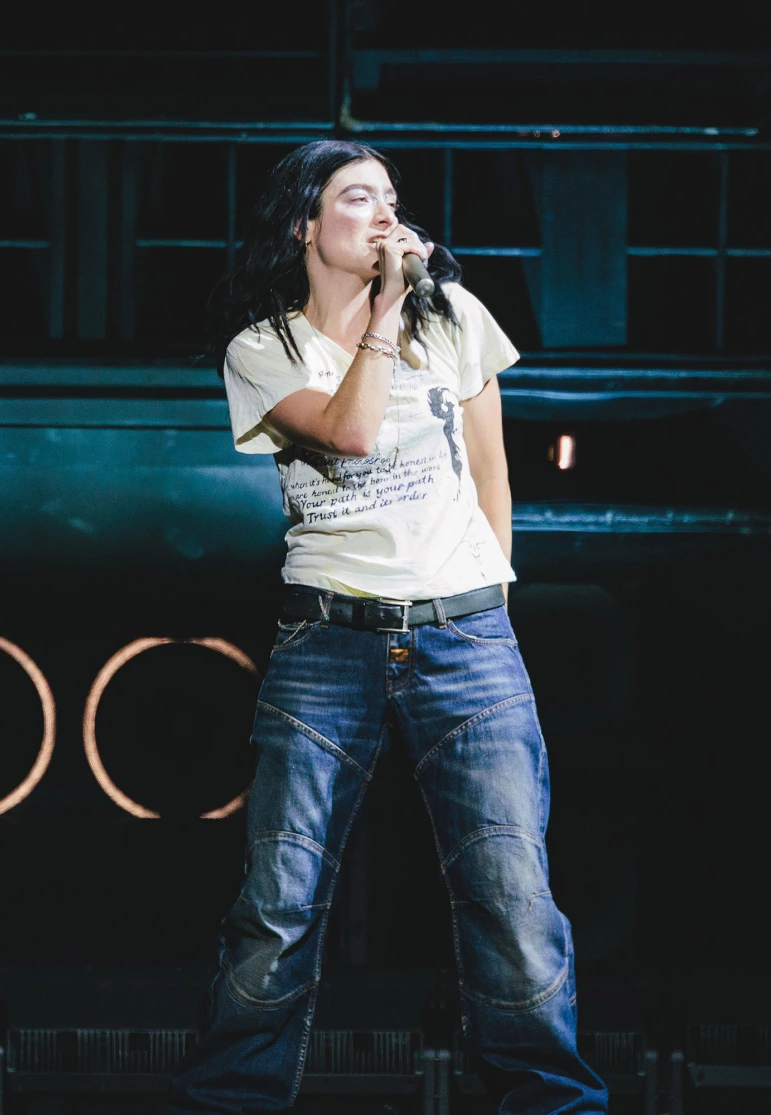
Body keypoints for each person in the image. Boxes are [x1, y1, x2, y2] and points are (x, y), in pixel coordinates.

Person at [167, 139, 608, 1115]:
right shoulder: (264, 347)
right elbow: (352, 431)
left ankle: (553, 1102)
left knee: (512, 899)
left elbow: (492, 468)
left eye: (391, 200)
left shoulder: (453, 317)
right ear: (304, 224)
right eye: (356, 198)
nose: (383, 216)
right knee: (277, 905)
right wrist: (384, 310)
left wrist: (486, 583)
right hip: (327, 642)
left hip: (465, 638)